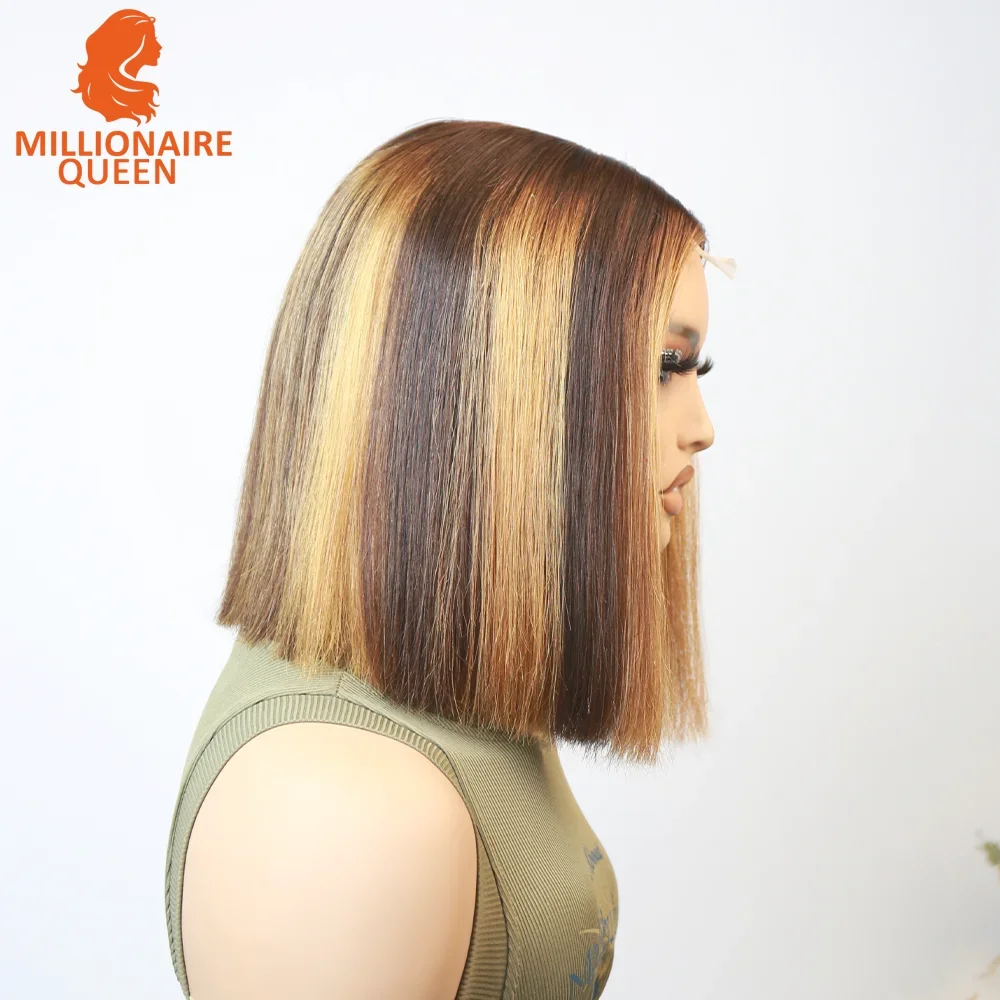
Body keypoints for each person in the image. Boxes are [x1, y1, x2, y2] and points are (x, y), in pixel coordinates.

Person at [163, 118, 734, 1000]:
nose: (701, 428)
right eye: (664, 365)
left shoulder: (448, 695)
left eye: (697, 370)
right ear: (500, 385)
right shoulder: (342, 815)